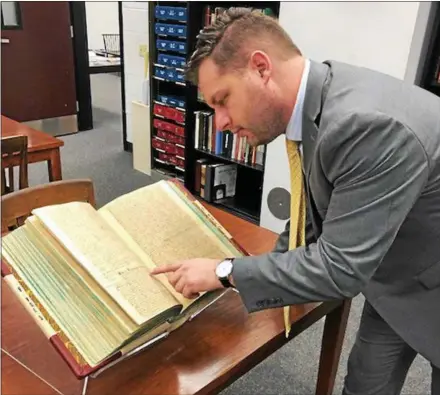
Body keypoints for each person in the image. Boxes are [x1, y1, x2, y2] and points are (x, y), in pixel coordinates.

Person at [151, 7, 440, 394]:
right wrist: (257, 276)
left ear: (260, 68)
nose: (219, 122)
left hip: (427, 278)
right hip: (393, 271)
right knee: (365, 383)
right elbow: (314, 211)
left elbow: (339, 270)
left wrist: (225, 272)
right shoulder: (317, 99)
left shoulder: (366, 125)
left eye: (222, 100)